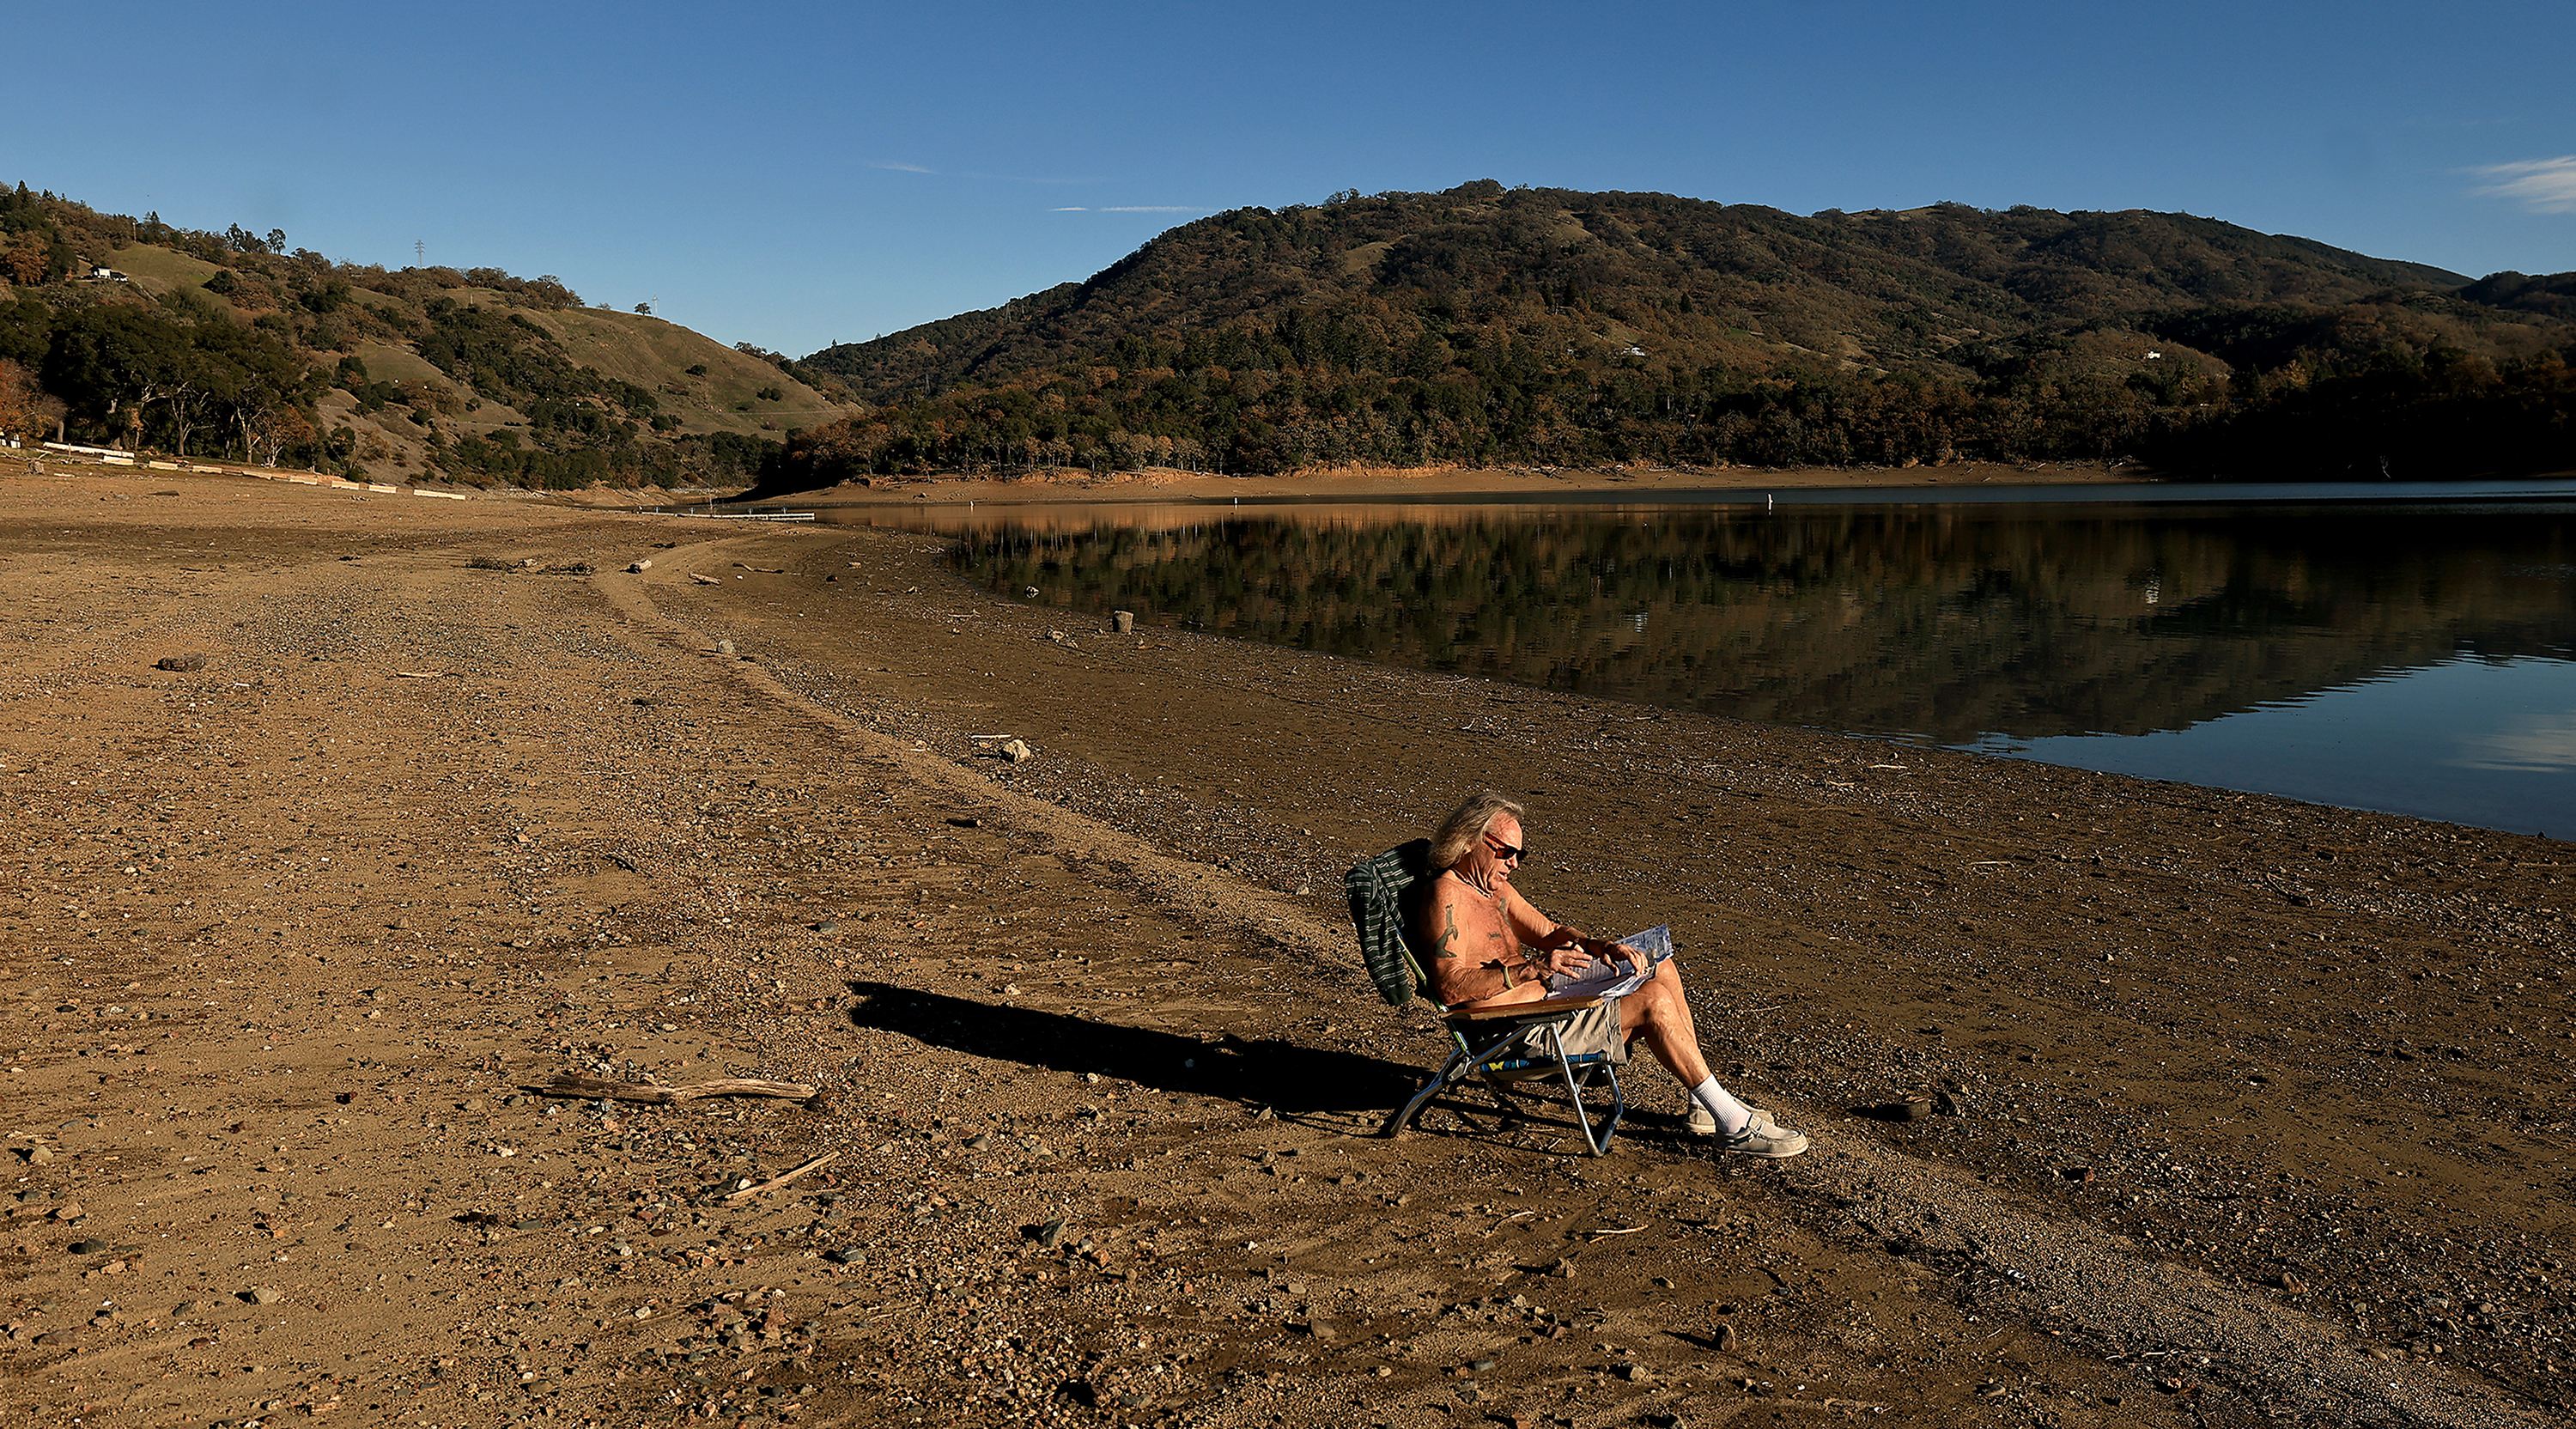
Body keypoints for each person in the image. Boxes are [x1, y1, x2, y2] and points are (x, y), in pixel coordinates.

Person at [1407, 789, 1808, 1158]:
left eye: (1520, 853)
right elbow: (1450, 985)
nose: (1514, 862)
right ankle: (1732, 1126)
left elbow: (1548, 932)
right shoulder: (1446, 897)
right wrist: (1532, 967)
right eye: (1507, 851)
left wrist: (1601, 947)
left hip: (1547, 1004)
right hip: (1514, 1033)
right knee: (1652, 1003)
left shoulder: (1492, 888)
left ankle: (1704, 1104)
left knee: (1656, 964)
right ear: (1470, 842)